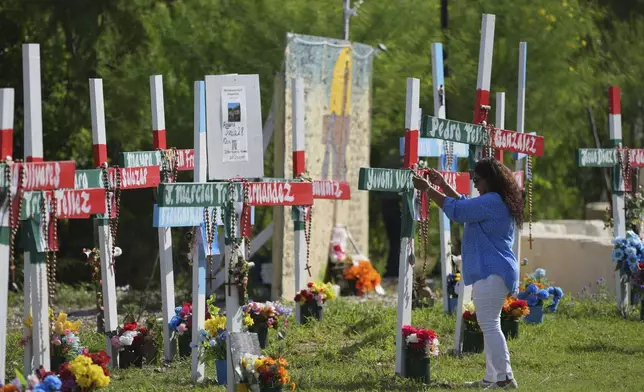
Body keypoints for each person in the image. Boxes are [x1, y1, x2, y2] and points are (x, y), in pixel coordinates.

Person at [412, 157, 522, 390]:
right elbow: (464, 205)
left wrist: (428, 189)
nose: (476, 185)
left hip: (493, 270)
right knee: (490, 324)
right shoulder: (494, 200)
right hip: (494, 270)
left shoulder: (491, 201)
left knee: (490, 325)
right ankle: (494, 378)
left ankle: (504, 378)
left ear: (490, 179)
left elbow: (459, 212)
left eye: (477, 180)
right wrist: (442, 184)